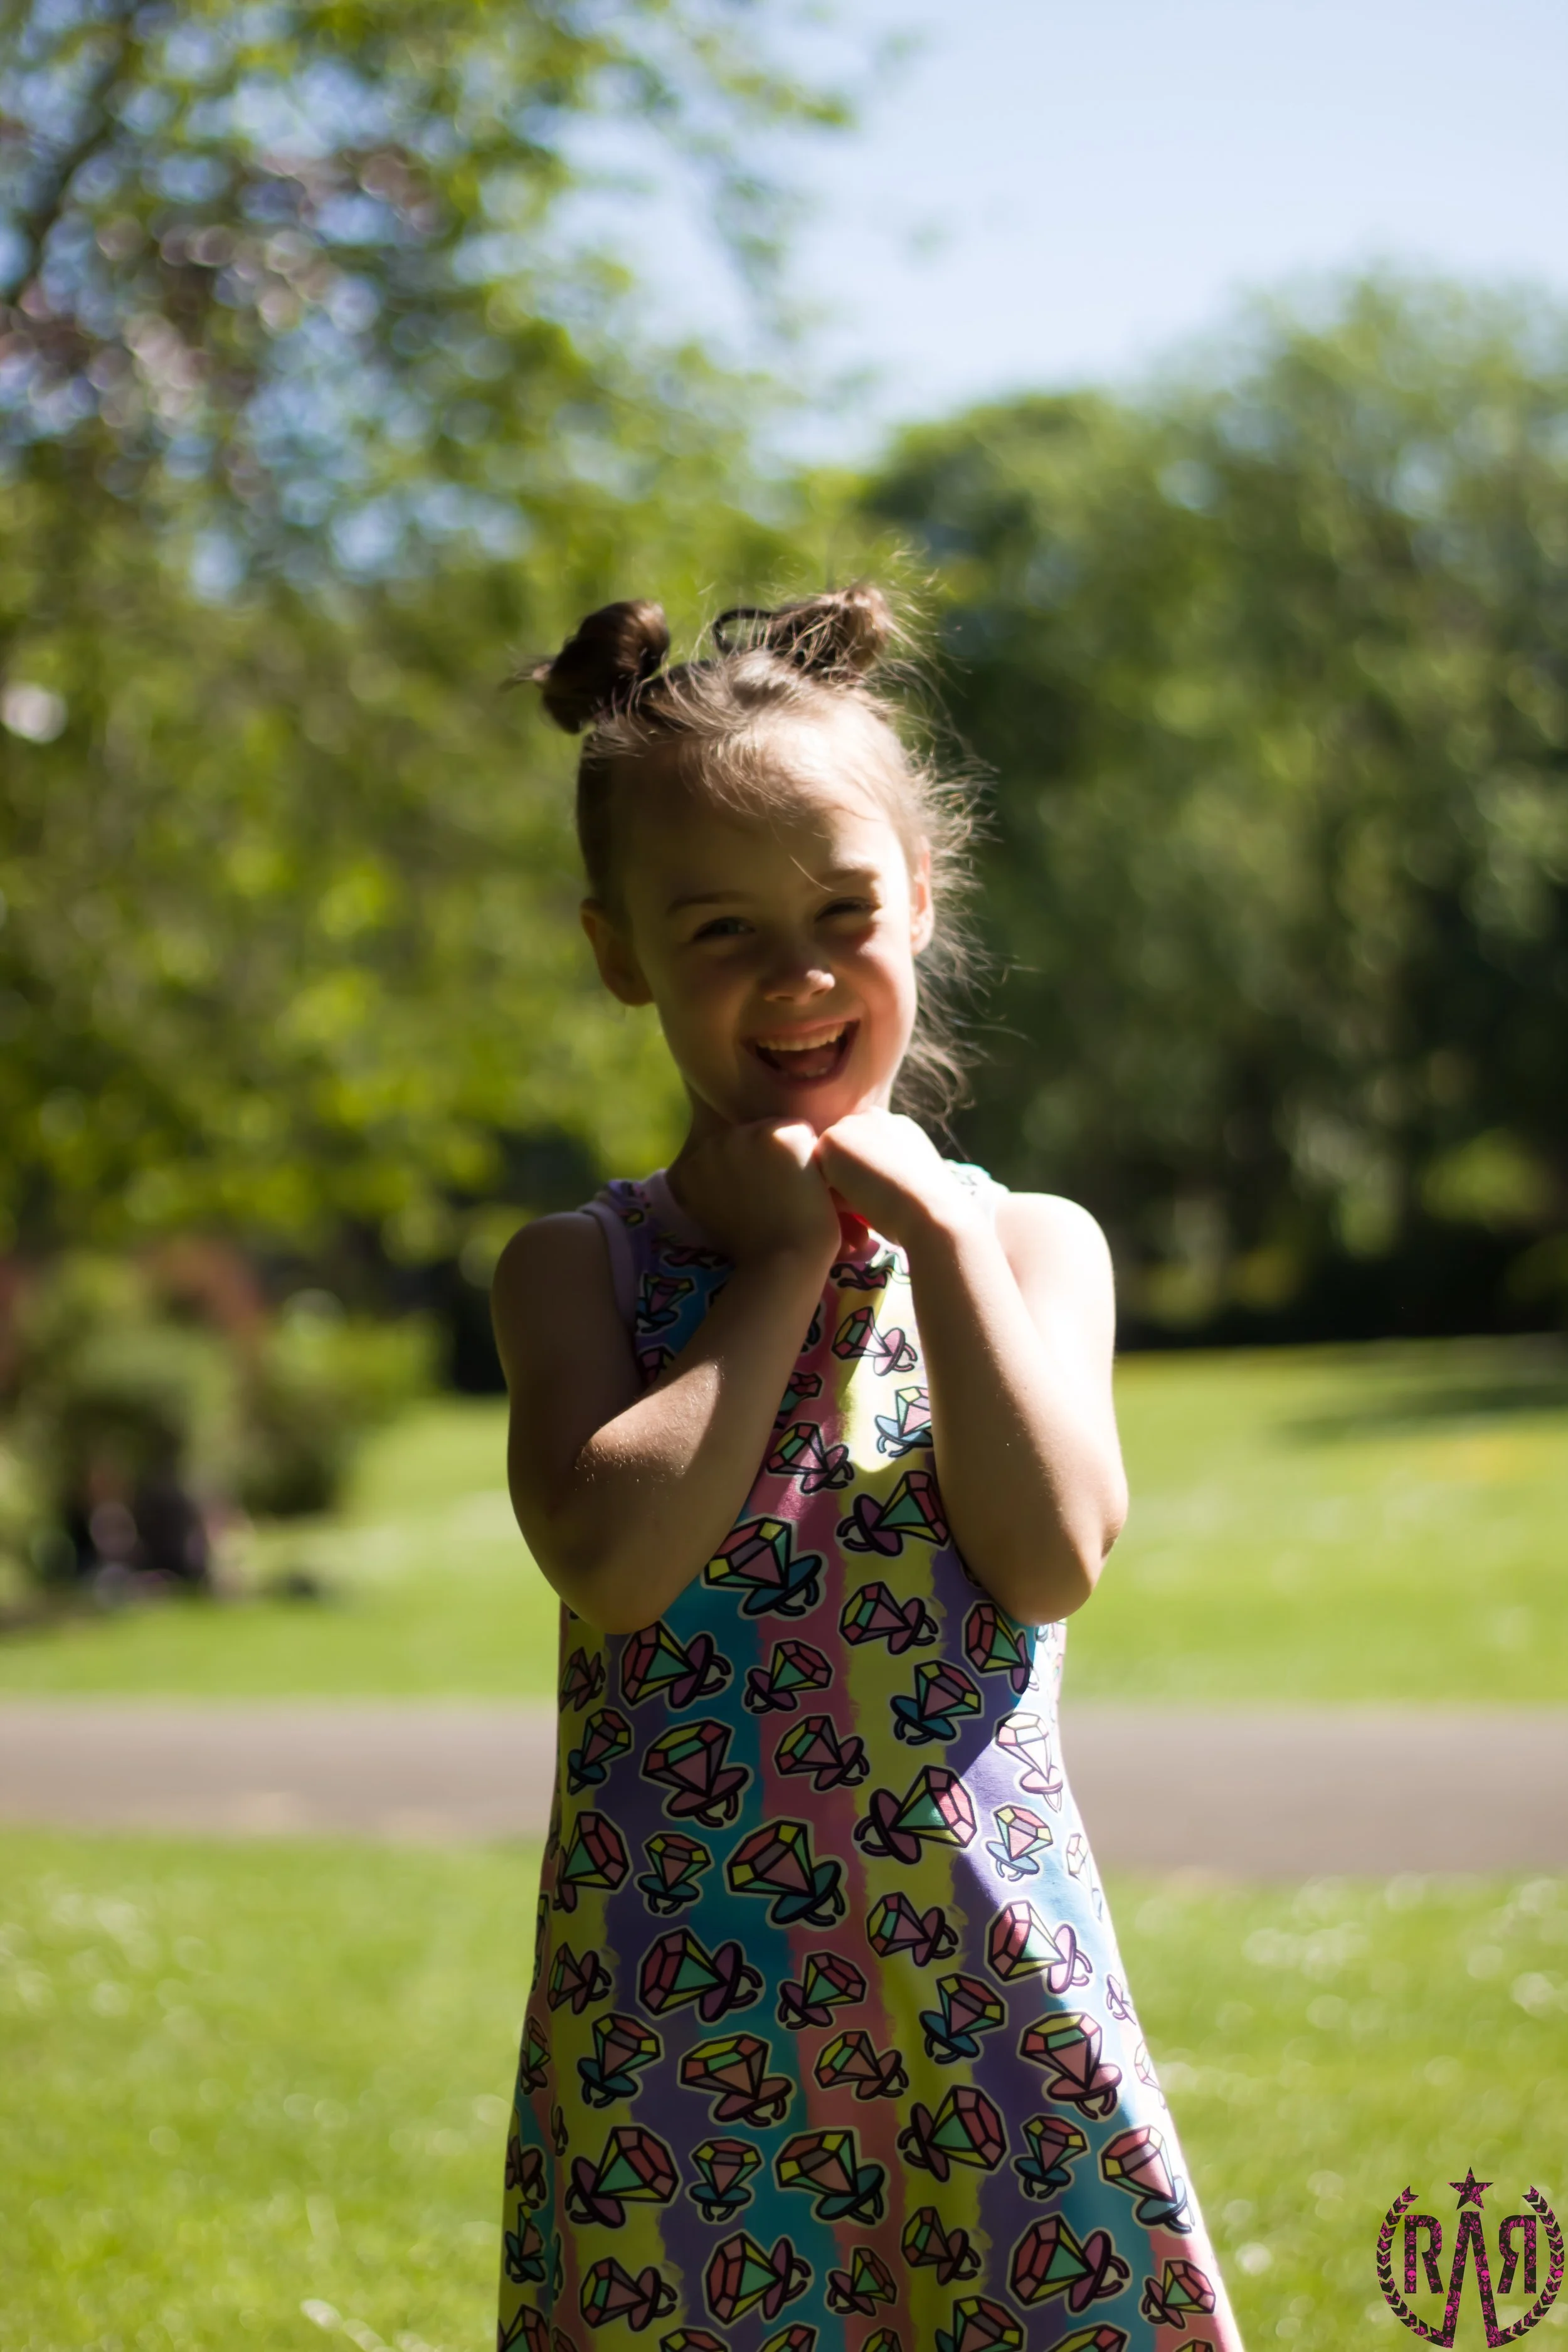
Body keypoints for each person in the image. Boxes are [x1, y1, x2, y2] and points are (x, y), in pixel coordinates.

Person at [490, 583, 1247, 2352]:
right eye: (722, 931)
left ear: (922, 895)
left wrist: (935, 1245)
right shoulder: (577, 1271)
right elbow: (614, 1555)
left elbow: (1050, 1553)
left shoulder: (1033, 1246)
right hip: (691, 2007)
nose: (800, 974)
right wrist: (779, 1266)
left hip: (977, 1978)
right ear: (622, 954)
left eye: (843, 913)